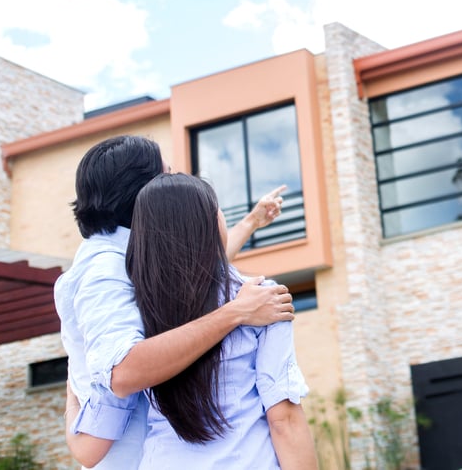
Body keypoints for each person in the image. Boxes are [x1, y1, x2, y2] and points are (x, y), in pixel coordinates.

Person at [55, 135, 295, 468]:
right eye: (166, 173)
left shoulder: (135, 252)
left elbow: (198, 272)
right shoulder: (103, 270)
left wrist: (251, 222)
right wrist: (236, 312)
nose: (174, 182)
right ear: (142, 193)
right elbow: (122, 371)